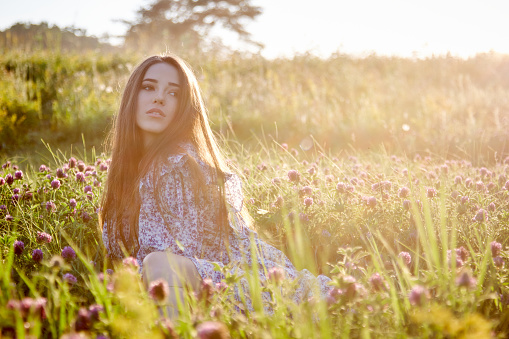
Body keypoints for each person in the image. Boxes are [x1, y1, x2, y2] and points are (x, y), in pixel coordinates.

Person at [100, 54, 331, 317]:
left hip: (246, 280)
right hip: (205, 283)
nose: (159, 98)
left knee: (159, 265)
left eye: (173, 93)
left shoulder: (179, 166)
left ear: (184, 107)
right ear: (132, 96)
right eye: (149, 87)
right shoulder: (129, 174)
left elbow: (171, 261)